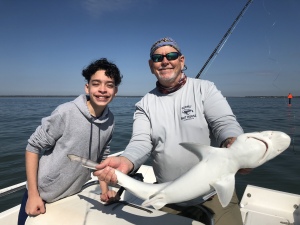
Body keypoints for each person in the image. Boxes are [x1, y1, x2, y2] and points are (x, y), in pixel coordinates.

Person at [94, 37, 245, 225]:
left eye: (171, 55)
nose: (165, 61)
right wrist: (126, 161)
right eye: (158, 58)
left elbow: (224, 124)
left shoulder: (205, 89)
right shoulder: (144, 104)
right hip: (167, 196)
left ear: (181, 61)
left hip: (214, 193)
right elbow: (140, 143)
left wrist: (233, 143)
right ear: (151, 65)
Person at [18, 58, 123, 225]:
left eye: (109, 85)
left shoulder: (110, 120)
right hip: (42, 195)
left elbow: (102, 159)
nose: (102, 89)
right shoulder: (66, 112)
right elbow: (33, 147)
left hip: (73, 195)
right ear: (87, 87)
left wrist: (105, 191)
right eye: (96, 84)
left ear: (115, 91)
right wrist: (33, 195)